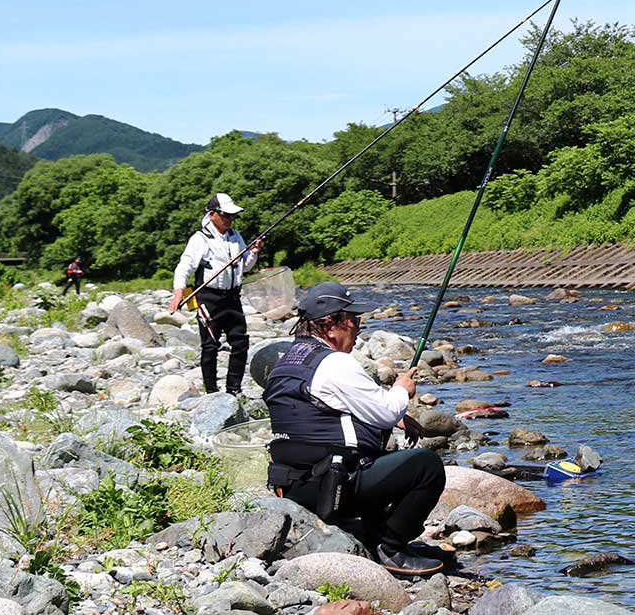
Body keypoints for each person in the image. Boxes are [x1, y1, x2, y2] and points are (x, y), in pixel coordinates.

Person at [263, 282, 446, 577]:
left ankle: (371, 532)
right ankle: (391, 547)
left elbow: (323, 413)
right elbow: (386, 409)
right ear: (331, 325)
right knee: (427, 465)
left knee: (373, 451)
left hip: (296, 487)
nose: (359, 328)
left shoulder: (287, 362)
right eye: (354, 320)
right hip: (333, 488)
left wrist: (395, 419)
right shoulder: (334, 364)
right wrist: (402, 390)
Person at [168, 193, 262, 394]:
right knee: (210, 345)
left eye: (232, 216)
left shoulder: (236, 236)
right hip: (208, 298)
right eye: (225, 215)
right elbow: (184, 266)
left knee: (240, 343)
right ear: (212, 215)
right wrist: (178, 293)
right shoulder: (200, 238)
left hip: (233, 298)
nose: (230, 219)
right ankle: (211, 391)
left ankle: (234, 390)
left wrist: (253, 252)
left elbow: (244, 266)